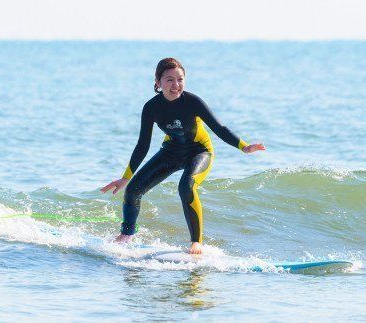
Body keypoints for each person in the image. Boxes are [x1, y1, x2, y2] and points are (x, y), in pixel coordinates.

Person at [101, 58, 265, 254]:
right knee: (133, 190)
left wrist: (244, 147)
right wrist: (126, 177)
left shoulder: (193, 102)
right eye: (169, 80)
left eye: (180, 79)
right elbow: (142, 145)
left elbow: (219, 128)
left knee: (186, 187)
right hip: (172, 151)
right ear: (157, 82)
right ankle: (127, 235)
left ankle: (196, 242)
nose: (176, 85)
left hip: (199, 152)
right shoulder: (151, 108)